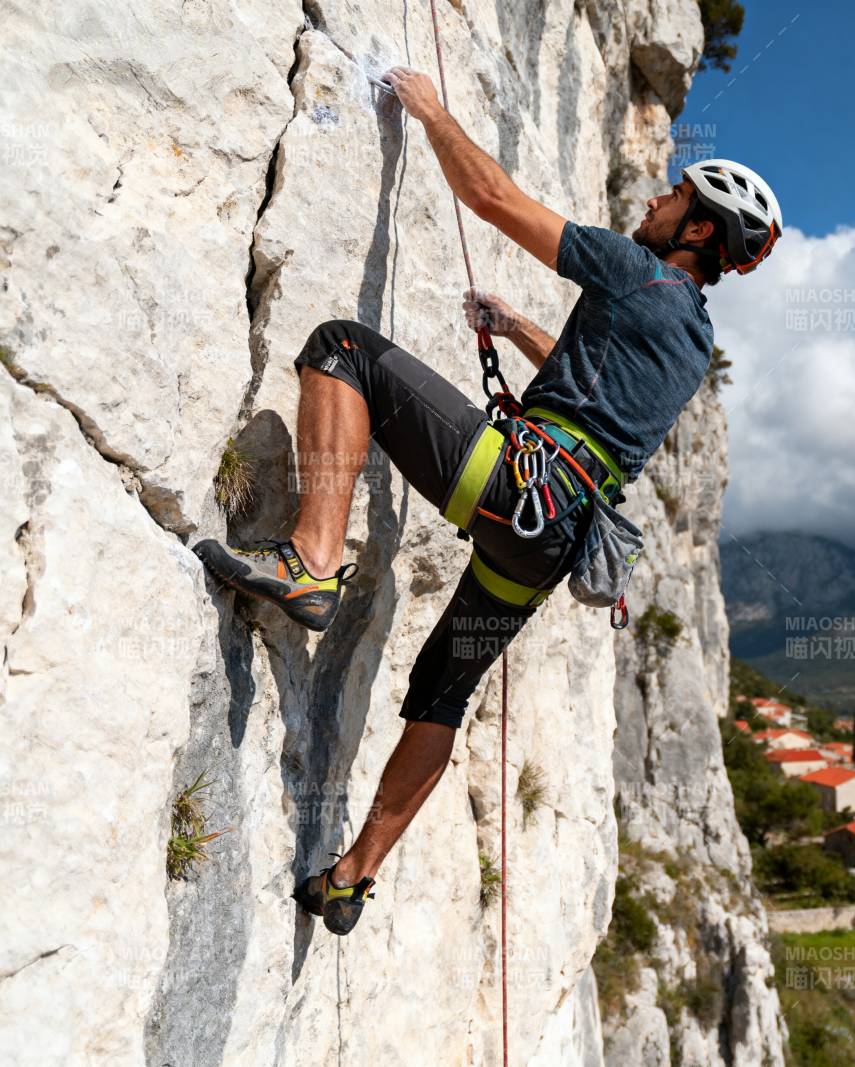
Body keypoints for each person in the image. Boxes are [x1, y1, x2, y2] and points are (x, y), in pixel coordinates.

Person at [192, 65, 782, 935]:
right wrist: (518, 331)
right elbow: (599, 393)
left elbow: (496, 197)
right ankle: (351, 877)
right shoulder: (691, 339)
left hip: (512, 484)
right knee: (443, 691)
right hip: (551, 543)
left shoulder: (633, 271)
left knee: (342, 348)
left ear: (697, 228)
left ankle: (313, 561)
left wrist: (432, 112)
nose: (655, 199)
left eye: (674, 196)